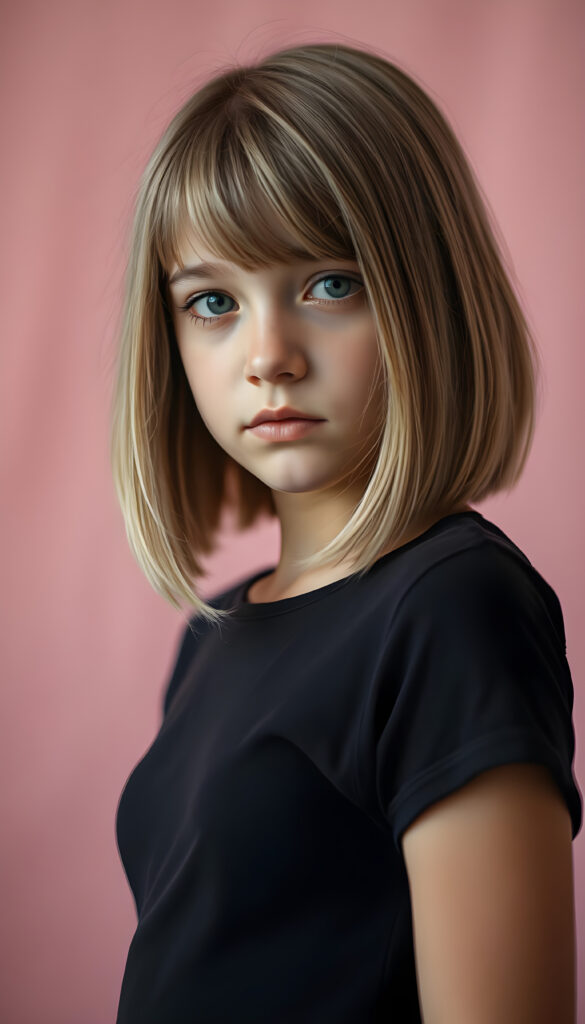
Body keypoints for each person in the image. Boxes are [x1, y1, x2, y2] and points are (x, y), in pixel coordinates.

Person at [110, 41, 582, 1023]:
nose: (268, 356)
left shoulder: (453, 608)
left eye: (329, 284)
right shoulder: (214, 632)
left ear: (428, 293)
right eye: (212, 303)